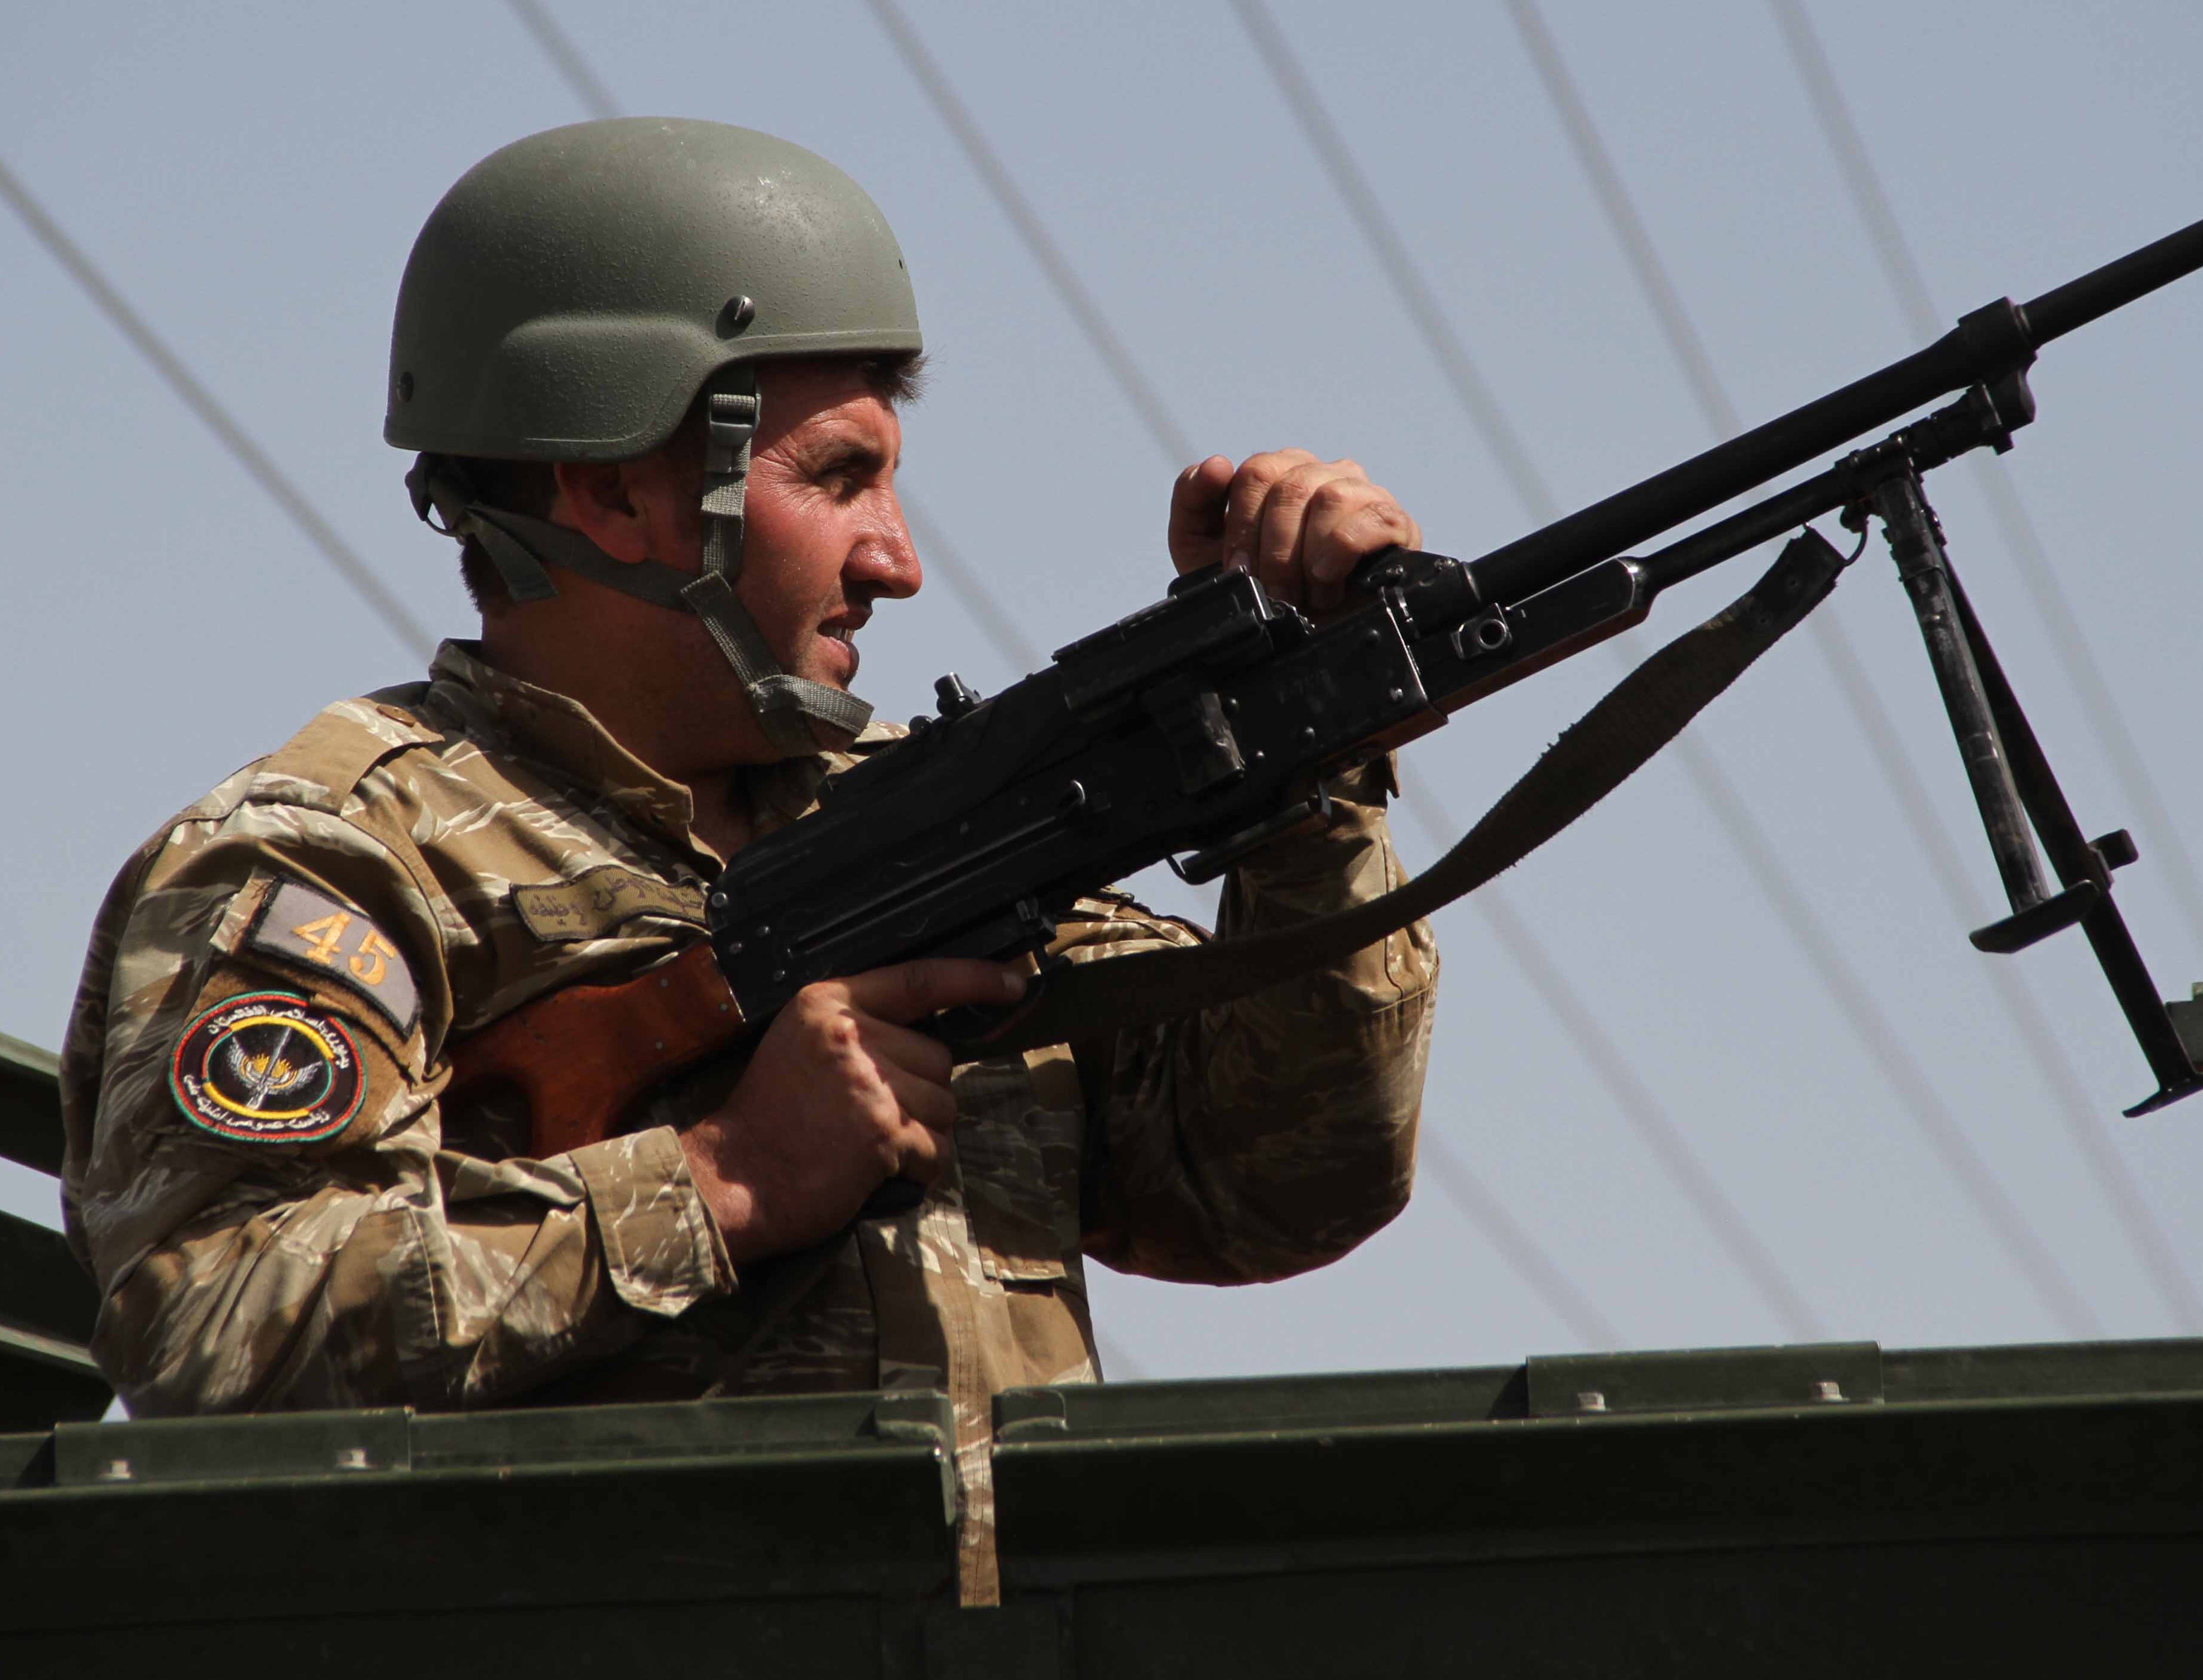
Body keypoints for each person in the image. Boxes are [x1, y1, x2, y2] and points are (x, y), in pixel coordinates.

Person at [54, 119, 1436, 1602]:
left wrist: (1307, 782)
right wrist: (719, 1182)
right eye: (836, 479)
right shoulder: (332, 863)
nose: (897, 557)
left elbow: (1279, 1178)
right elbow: (217, 1336)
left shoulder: (925, 815)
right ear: (617, 492)